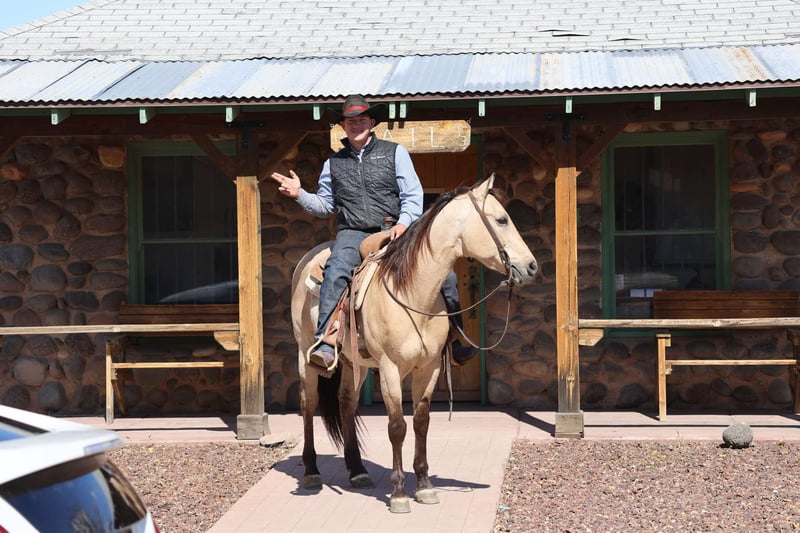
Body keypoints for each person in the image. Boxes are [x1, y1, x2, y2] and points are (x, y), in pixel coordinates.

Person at [271, 94, 476, 369]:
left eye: (362, 120)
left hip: (396, 228)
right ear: (342, 126)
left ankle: (456, 338)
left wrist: (404, 223)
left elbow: (412, 195)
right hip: (353, 232)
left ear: (372, 123)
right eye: (350, 121)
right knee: (336, 271)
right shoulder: (333, 163)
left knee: (443, 272)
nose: (356, 125)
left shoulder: (395, 152)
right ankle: (326, 341)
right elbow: (325, 205)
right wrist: (300, 194)